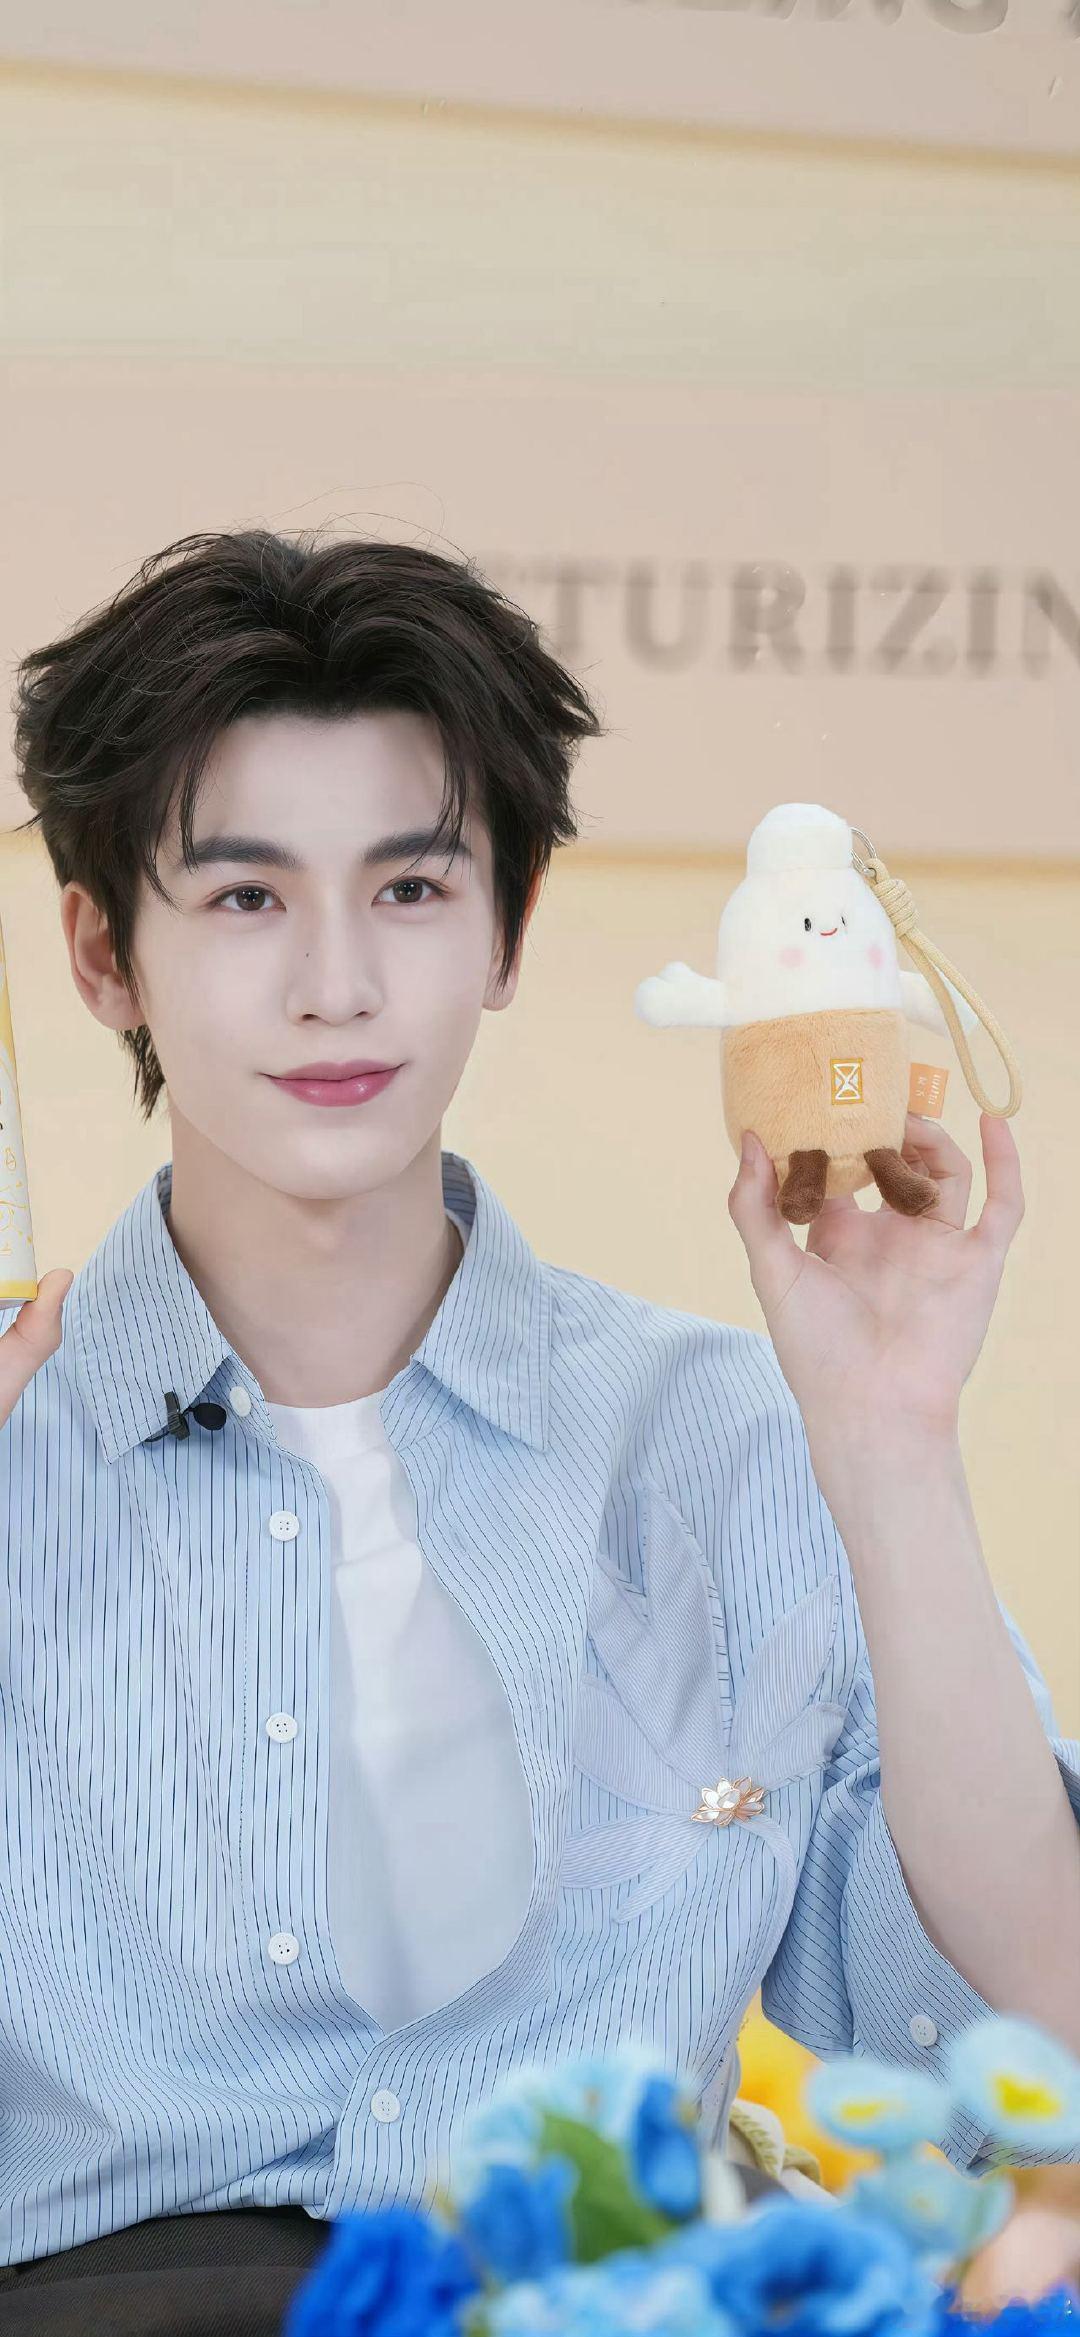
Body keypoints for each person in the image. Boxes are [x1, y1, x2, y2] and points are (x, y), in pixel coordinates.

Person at [0, 529, 1077, 2332]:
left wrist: (894, 1448)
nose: (338, 983)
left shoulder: (730, 1436)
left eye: (412, 889)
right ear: (107, 952)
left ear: (507, 930)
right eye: (247, 898)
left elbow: (1041, 2019)